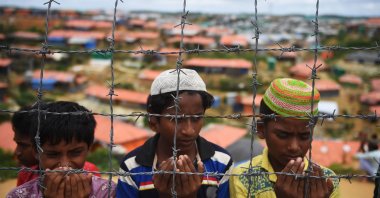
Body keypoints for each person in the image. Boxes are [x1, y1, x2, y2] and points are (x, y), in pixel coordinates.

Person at [116, 69, 234, 197]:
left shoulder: (221, 163)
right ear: (154, 122)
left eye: (196, 118)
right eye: (177, 119)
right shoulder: (132, 167)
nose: (189, 130)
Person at [229, 78, 340, 197]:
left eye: (304, 136)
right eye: (283, 135)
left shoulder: (325, 181)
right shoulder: (244, 178)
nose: (294, 147)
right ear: (261, 129)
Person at [7, 101, 115, 197]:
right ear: (36, 151)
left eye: (75, 153)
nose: (64, 165)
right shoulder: (19, 195)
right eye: (52, 154)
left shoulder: (108, 192)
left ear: (89, 148)